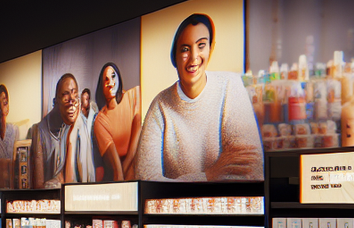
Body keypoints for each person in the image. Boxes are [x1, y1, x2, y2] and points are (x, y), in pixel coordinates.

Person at [133, 13, 264, 182]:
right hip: (175, 209)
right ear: (175, 56)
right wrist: (208, 176)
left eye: (201, 45)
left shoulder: (230, 85)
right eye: (185, 49)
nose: (194, 57)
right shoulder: (160, 106)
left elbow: (250, 170)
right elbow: (146, 179)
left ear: (210, 48)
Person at [32, 73, 94, 188]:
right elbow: (39, 185)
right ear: (56, 102)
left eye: (74, 93)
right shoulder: (40, 131)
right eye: (65, 95)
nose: (71, 99)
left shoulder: (81, 125)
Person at [92, 62, 143, 181]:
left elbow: (138, 132)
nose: (110, 83)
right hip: (120, 175)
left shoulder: (135, 95)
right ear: (101, 86)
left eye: (113, 76)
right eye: (106, 79)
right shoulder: (100, 121)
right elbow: (116, 169)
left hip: (138, 166)